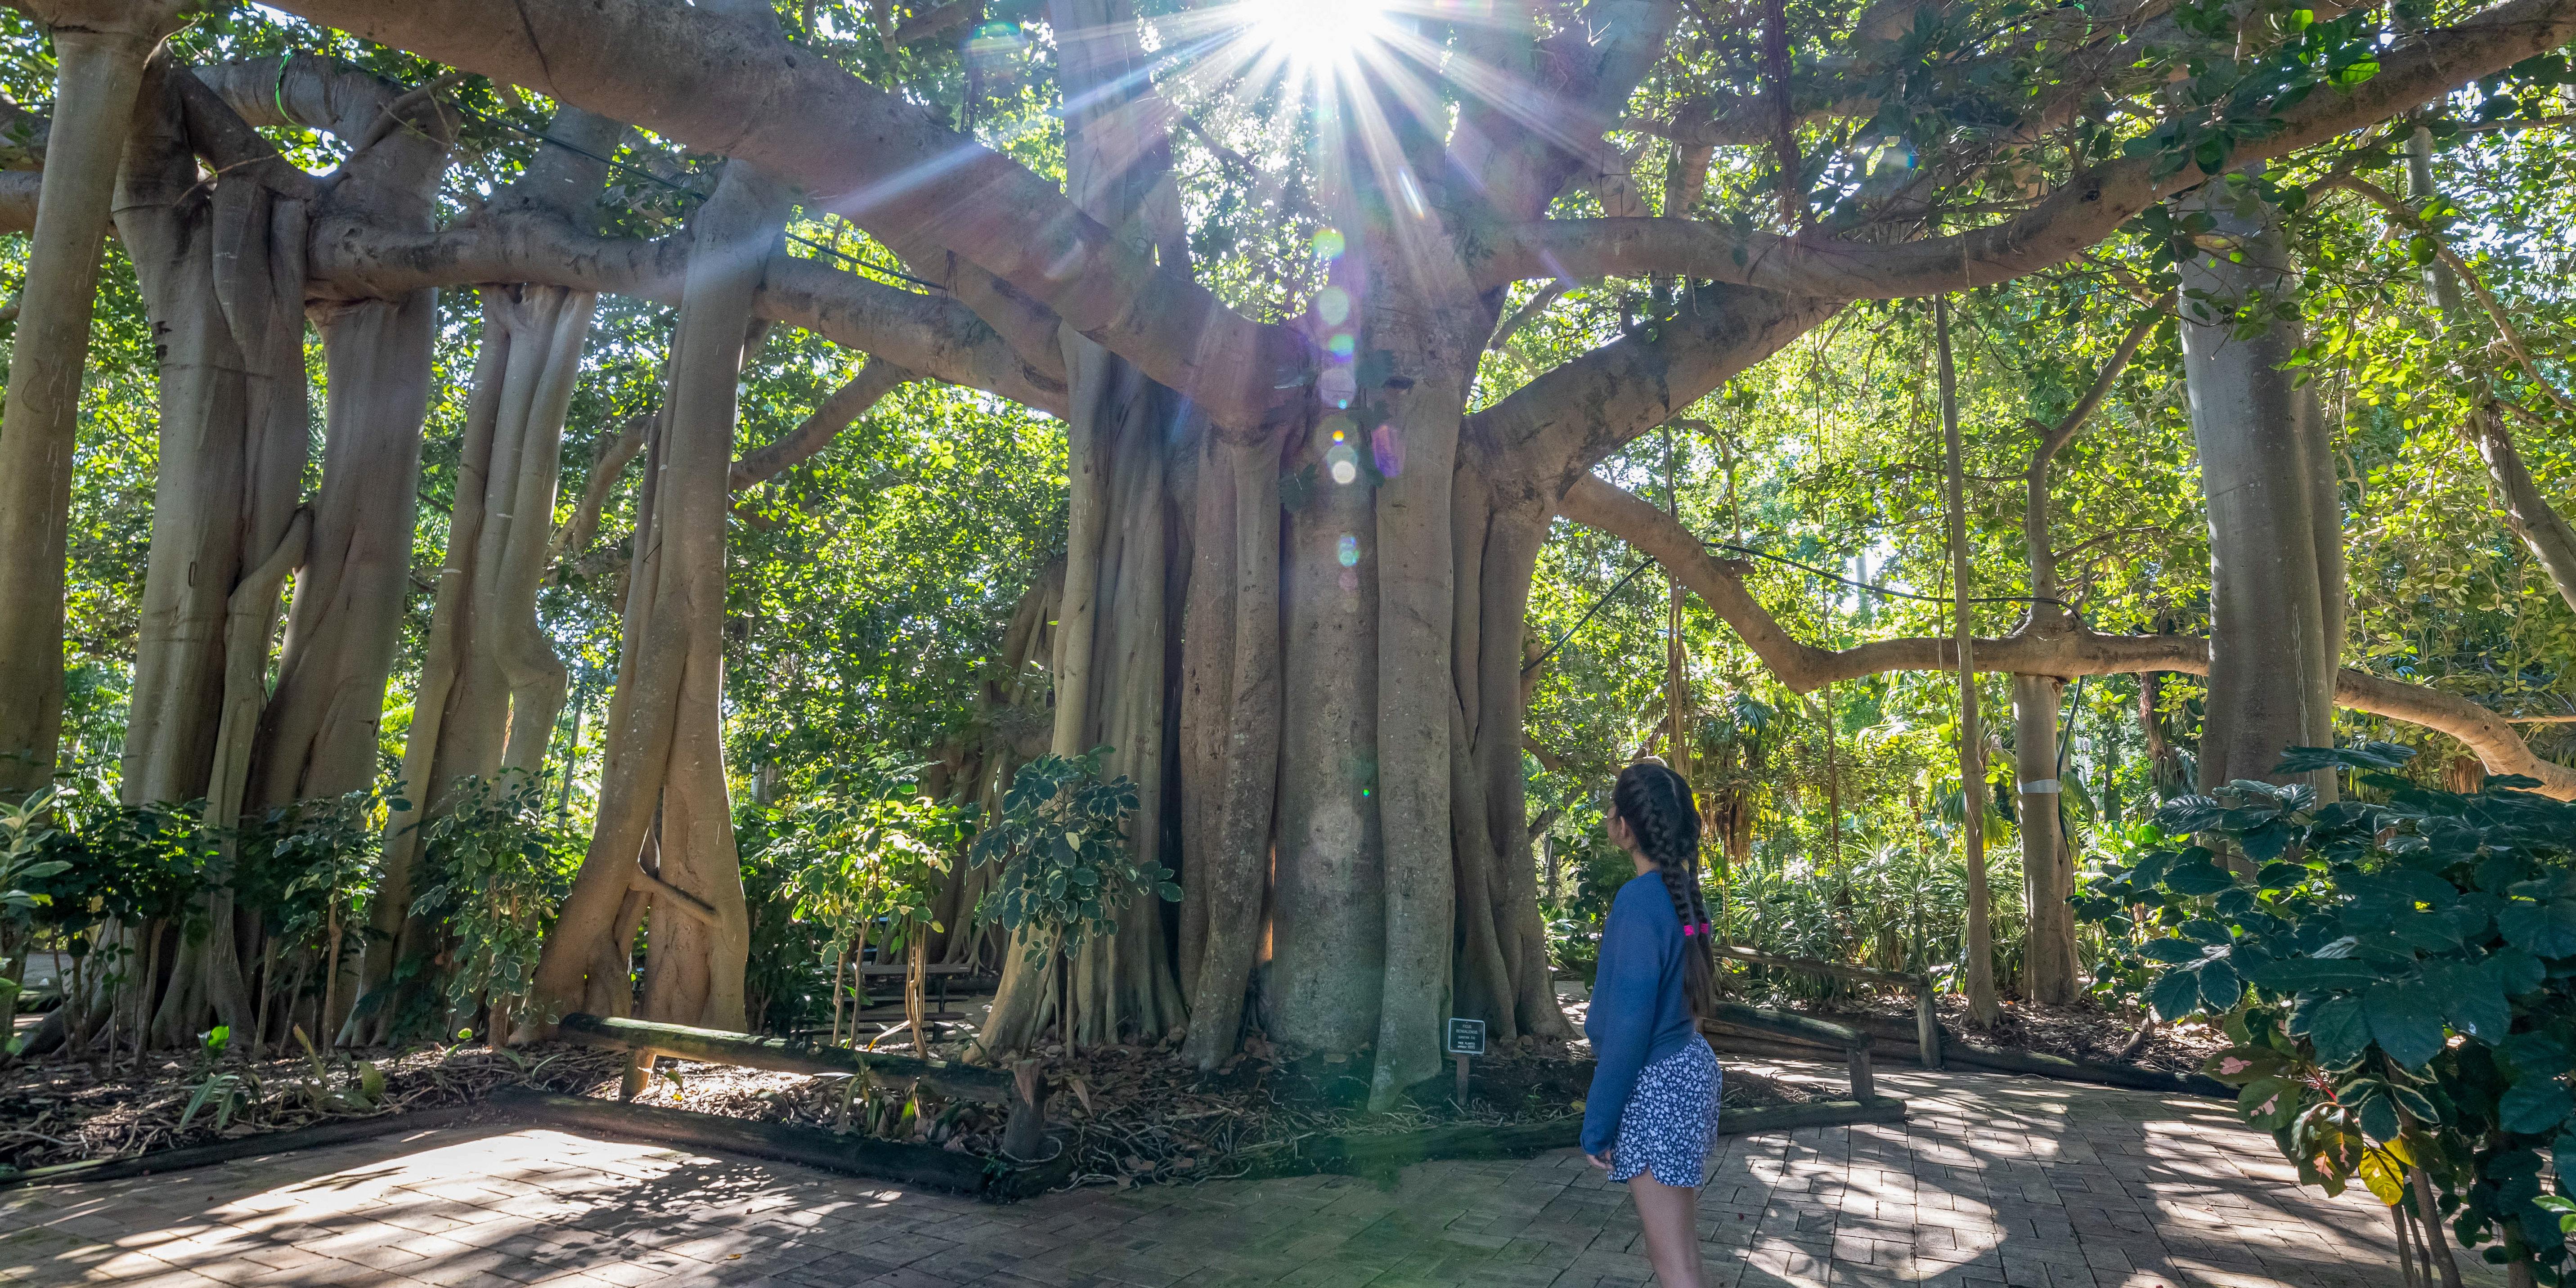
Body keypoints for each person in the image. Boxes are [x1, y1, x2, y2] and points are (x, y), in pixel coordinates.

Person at [1581, 758, 1723, 1288]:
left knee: (1673, 1264)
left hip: (1657, 1082)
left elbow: (1628, 1029)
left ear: (1623, 825)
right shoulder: (1681, 890)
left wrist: (1596, 1124)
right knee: (1682, 1255)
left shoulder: (1639, 902)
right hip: (1687, 1070)